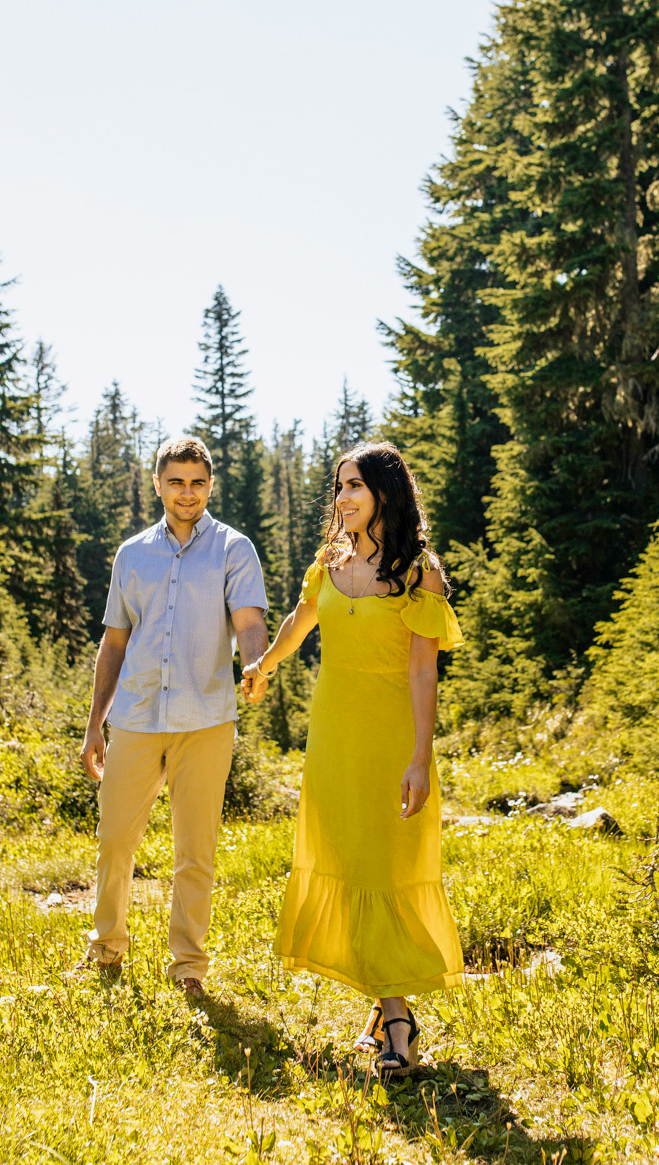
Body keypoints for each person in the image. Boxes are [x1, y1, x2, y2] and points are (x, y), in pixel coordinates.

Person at [240, 440, 463, 1078]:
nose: (342, 498)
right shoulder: (330, 560)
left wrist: (420, 758)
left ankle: (397, 1020)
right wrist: (264, 665)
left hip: (391, 738)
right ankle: (388, 1009)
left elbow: (425, 674)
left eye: (355, 486)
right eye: (339, 486)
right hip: (333, 736)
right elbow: (300, 620)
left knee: (385, 867)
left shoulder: (419, 572)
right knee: (347, 859)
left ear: (386, 493)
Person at [79, 436, 269, 997]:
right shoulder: (132, 553)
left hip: (206, 717)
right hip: (135, 716)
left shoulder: (235, 549)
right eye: (176, 481)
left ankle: (188, 966)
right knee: (115, 839)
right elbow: (114, 643)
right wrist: (95, 724)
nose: (187, 493)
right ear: (157, 483)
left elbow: (250, 620)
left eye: (198, 482)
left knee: (195, 850)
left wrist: (256, 661)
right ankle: (107, 949)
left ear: (211, 486)